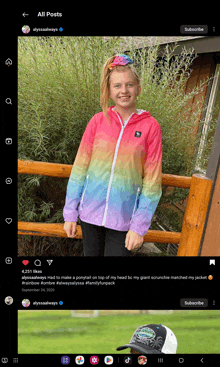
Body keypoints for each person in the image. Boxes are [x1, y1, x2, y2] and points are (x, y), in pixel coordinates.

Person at [63, 54, 162, 256]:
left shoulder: (150, 127)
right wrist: (70, 213)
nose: (124, 91)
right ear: (109, 91)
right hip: (89, 215)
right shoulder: (97, 122)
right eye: (117, 86)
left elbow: (152, 182)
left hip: (124, 220)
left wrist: (139, 226)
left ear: (138, 88)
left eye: (129, 85)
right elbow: (79, 169)